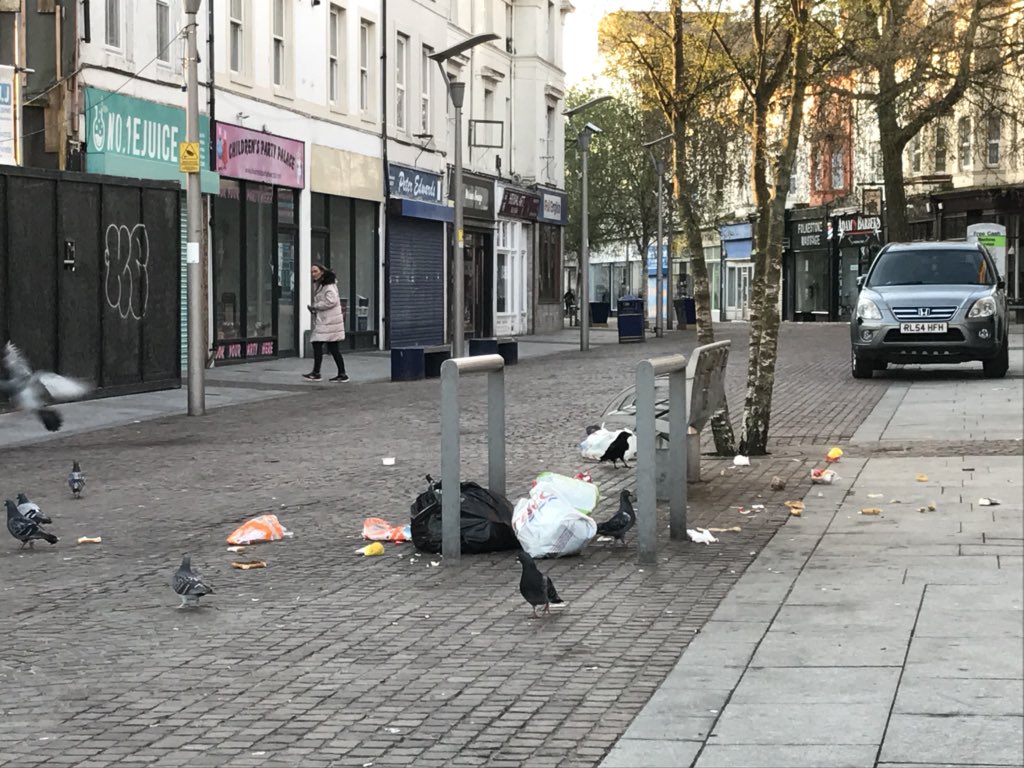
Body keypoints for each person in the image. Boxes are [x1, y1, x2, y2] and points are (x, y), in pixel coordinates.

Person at [303, 263, 349, 382]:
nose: (313, 274)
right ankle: (342, 373)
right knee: (333, 348)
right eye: (311, 272)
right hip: (328, 321)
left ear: (322, 272)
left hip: (329, 321)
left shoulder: (328, 286)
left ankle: (317, 373)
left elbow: (331, 301)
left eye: (315, 271)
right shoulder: (322, 285)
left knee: (317, 343)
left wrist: (316, 306)